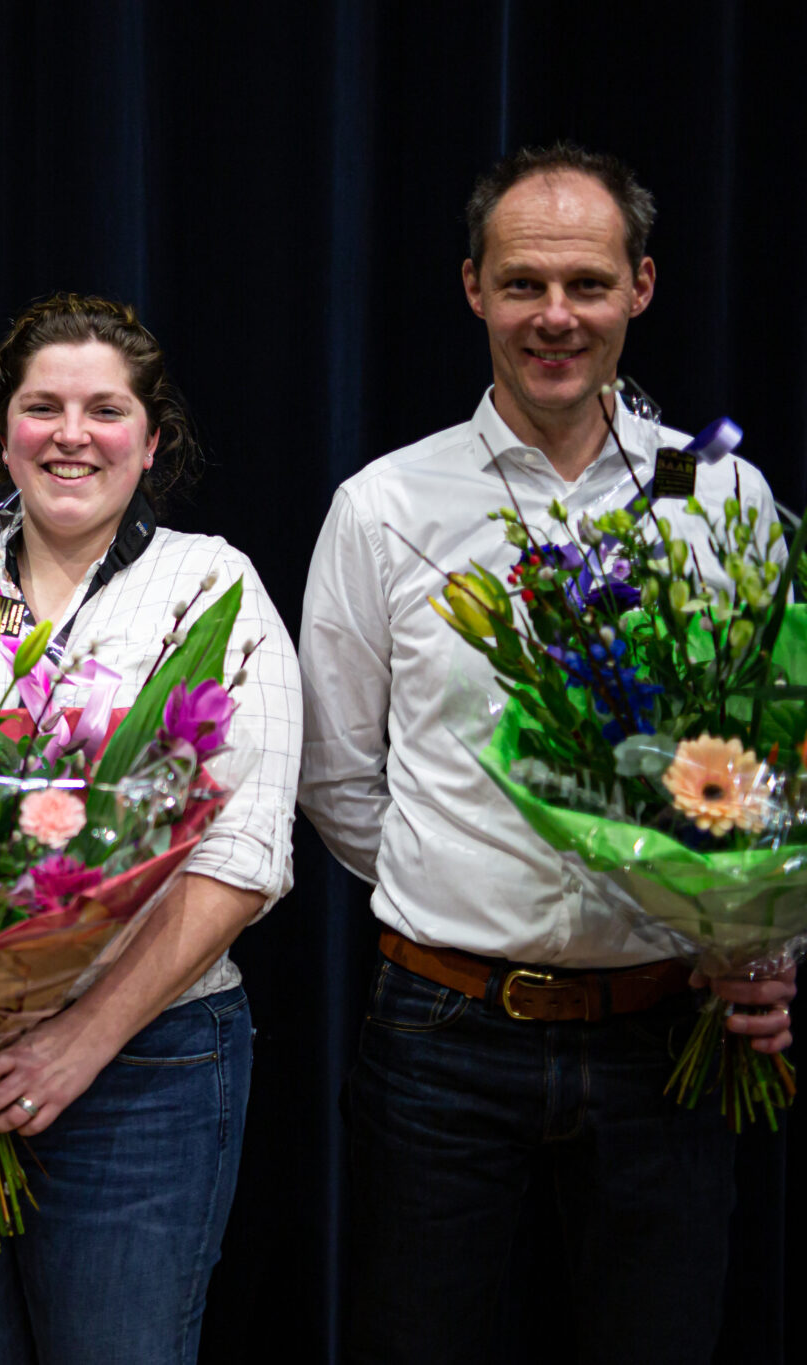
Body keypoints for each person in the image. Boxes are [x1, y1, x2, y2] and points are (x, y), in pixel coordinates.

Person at [299, 142, 797, 1363]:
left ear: (640, 286)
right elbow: (332, 776)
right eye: (522, 284)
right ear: (471, 288)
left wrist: (747, 927)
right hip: (441, 1038)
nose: (554, 317)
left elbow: (776, 757)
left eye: (585, 283)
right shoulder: (386, 506)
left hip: (663, 1033)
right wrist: (460, 879)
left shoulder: (717, 493)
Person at [0, 293, 302, 1365]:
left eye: (104, 409)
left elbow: (244, 854)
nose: (70, 435)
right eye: (41, 407)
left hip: (144, 1070)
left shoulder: (209, 587)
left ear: (150, 441)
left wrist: (77, 1044)